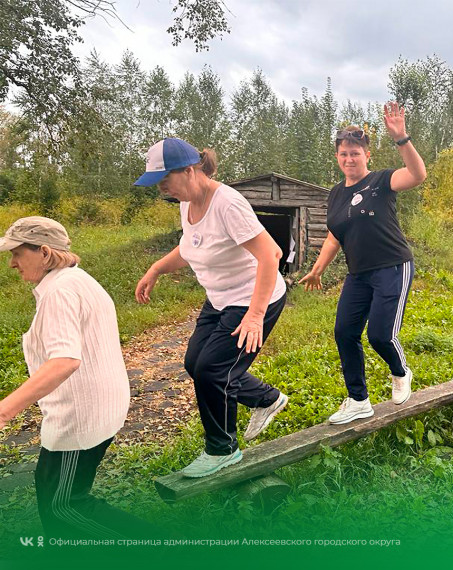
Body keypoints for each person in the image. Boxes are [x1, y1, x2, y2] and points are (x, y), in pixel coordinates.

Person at [134, 138, 288, 478]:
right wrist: (156, 268)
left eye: (164, 182)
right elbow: (189, 247)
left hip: (253, 297)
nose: (162, 190)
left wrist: (255, 315)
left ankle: (222, 449)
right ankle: (266, 398)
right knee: (195, 363)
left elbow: (271, 255)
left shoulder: (227, 204)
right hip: (220, 298)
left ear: (189, 171)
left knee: (212, 370)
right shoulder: (186, 200)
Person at [0, 216, 150, 539]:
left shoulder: (59, 292)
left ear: (43, 252)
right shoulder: (77, 279)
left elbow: (65, 360)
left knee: (63, 505)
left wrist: (5, 409)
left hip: (79, 418)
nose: (11, 263)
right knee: (49, 483)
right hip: (100, 406)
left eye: (16, 253)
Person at [299, 102, 427, 424]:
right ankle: (358, 400)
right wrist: (317, 270)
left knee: (381, 336)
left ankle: (401, 372)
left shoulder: (382, 181)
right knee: (344, 332)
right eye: (343, 153)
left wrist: (401, 138)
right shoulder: (335, 194)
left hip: (393, 266)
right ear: (337, 157)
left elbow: (417, 174)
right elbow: (334, 237)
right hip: (358, 275)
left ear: (367, 155)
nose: (349, 159)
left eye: (355, 152)